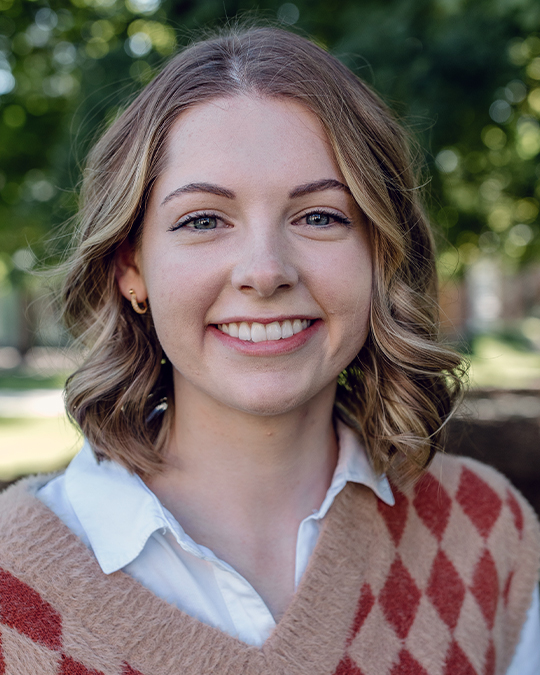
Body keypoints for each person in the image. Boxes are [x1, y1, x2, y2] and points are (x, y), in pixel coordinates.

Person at [0, 26, 538, 675]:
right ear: (130, 267)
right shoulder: (12, 585)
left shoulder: (484, 534)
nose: (264, 270)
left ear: (381, 255)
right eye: (203, 220)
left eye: (320, 216)